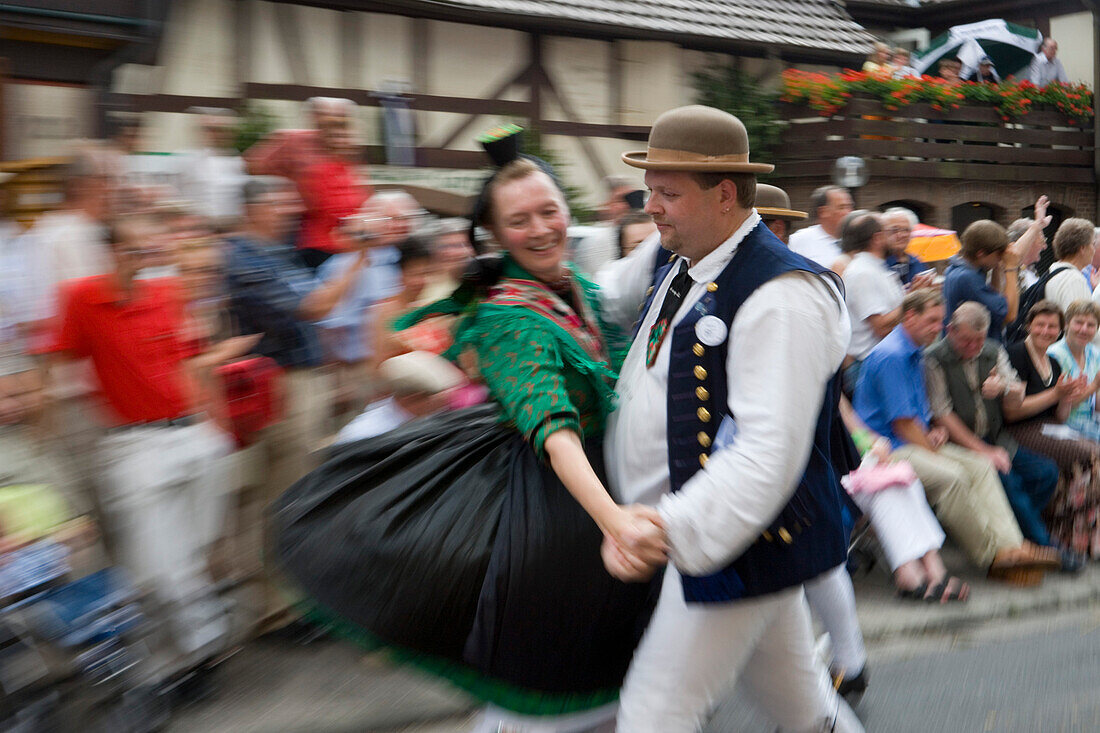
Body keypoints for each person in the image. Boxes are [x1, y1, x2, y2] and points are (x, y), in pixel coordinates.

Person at [277, 146, 663, 733]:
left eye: (548, 210)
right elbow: (553, 431)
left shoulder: (579, 284)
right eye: (519, 220)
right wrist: (614, 520)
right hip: (553, 509)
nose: (540, 229)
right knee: (550, 685)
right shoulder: (508, 316)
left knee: (604, 678)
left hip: (603, 486)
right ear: (496, 235)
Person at [604, 105, 862, 733]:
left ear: (724, 195)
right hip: (721, 541)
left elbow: (765, 452)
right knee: (802, 711)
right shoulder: (684, 261)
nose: (652, 208)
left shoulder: (783, 293)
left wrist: (667, 528)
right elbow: (608, 298)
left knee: (653, 713)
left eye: (668, 194)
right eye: (649, 192)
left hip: (732, 545)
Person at [50, 214, 235, 681]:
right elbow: (53, 363)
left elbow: (190, 362)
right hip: (134, 445)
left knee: (189, 558)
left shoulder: (168, 295)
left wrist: (217, 424)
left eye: (150, 250)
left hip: (193, 435)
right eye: (135, 250)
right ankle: (191, 653)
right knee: (161, 568)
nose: (146, 259)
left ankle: (186, 654)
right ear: (112, 251)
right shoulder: (81, 298)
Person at [224, 177, 377, 633]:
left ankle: (285, 599)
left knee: (288, 493)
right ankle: (273, 609)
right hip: (277, 387)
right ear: (255, 207)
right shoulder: (243, 256)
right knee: (278, 496)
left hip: (298, 382)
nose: (291, 209)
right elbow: (315, 307)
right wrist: (358, 257)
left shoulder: (273, 251)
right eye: (280, 201)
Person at [854, 290, 1060, 585]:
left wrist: (934, 431)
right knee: (953, 476)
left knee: (980, 465)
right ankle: (994, 556)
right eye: (932, 320)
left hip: (910, 441)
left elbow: (917, 418)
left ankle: (1013, 547)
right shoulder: (893, 355)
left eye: (940, 320)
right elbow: (902, 426)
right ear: (909, 316)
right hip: (886, 451)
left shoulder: (911, 352)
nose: (938, 327)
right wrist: (932, 444)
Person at [924, 302, 1071, 568]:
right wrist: (985, 452)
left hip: (997, 436)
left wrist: (1004, 386)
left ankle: (1014, 531)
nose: (974, 347)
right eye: (967, 340)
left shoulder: (992, 350)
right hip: (963, 444)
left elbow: (1017, 390)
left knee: (1045, 472)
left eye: (979, 340)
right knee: (1009, 483)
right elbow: (942, 415)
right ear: (950, 331)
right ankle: (1047, 548)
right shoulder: (934, 358)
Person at [838, 397, 962, 602]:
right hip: (825, 478)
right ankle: (908, 572)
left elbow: (853, 425)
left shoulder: (828, 379)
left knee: (905, 480)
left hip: (849, 468)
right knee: (885, 491)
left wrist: (874, 443)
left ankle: (933, 566)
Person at [1004, 300, 1100, 558]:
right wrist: (1057, 394)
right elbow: (1013, 412)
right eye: (1040, 325)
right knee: (1090, 455)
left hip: (1051, 427)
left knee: (1091, 451)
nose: (1046, 330)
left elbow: (1059, 414)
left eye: (1051, 326)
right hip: (1021, 429)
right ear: (1028, 326)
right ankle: (1064, 535)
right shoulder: (1016, 355)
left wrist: (1066, 397)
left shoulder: (1053, 363)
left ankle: (1078, 539)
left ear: (1059, 329)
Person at [244, 97, 370, 268]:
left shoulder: (348, 154)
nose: (328, 120)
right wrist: (287, 187)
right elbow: (254, 164)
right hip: (305, 229)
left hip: (340, 235)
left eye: (339, 116)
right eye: (323, 115)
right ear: (313, 116)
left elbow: (358, 191)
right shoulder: (293, 139)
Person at [840, 211, 905, 395]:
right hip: (870, 366)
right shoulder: (862, 273)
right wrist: (912, 300)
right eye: (890, 231)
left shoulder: (875, 268)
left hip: (881, 362)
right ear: (877, 238)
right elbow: (881, 326)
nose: (897, 236)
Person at [943, 220, 1019, 342]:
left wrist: (997, 268)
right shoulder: (968, 278)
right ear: (981, 253)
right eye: (998, 254)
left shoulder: (953, 270)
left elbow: (995, 298)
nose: (1001, 257)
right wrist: (1011, 268)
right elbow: (1009, 315)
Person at [179, 107, 248, 228]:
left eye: (222, 130)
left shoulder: (239, 162)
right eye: (211, 130)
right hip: (198, 227)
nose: (217, 135)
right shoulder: (187, 159)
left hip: (231, 227)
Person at [1047, 299, 1100, 441]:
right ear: (1066, 324)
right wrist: (1094, 385)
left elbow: (1096, 404)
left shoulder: (1094, 353)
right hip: (1064, 426)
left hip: (1092, 423)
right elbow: (1059, 406)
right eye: (1079, 322)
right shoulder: (1054, 355)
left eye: (1090, 325)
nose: (1084, 329)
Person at [787, 185, 853, 268]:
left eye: (849, 207)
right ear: (823, 212)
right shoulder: (800, 240)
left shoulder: (859, 240)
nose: (848, 212)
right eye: (841, 207)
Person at [1043, 218, 1096, 317]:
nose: (1094, 250)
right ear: (1082, 248)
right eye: (1093, 244)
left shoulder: (1052, 271)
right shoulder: (1074, 280)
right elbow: (1079, 325)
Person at [881, 207, 930, 288]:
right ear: (883, 233)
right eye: (895, 230)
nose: (901, 235)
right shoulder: (879, 264)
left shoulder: (917, 262)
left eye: (906, 230)